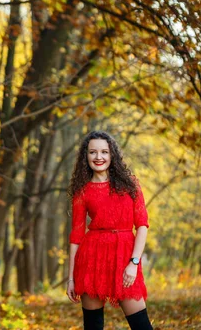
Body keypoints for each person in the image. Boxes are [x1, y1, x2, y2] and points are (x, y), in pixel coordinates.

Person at [66, 130, 153, 330]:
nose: (99, 157)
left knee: (142, 326)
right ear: (85, 156)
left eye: (104, 152)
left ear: (112, 154)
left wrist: (134, 262)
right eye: (93, 152)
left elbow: (142, 225)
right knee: (93, 326)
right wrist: (71, 278)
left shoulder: (130, 185)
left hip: (124, 258)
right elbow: (76, 237)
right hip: (92, 259)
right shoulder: (82, 191)